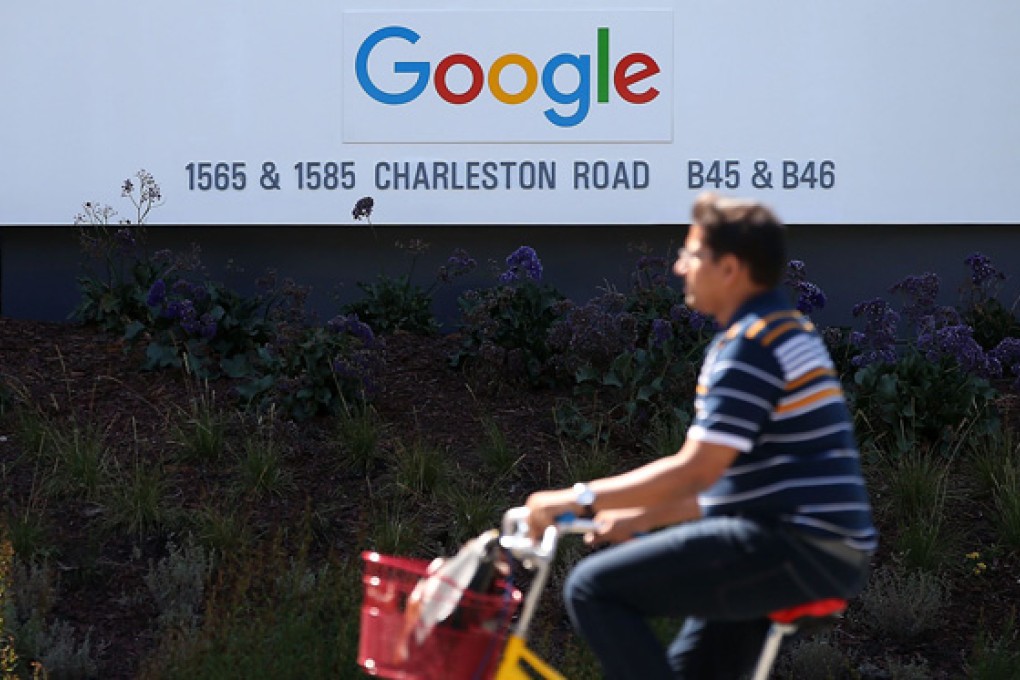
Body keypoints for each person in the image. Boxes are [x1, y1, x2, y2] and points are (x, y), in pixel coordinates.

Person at [524, 192, 877, 679]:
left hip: (792, 545)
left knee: (592, 588)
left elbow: (696, 471)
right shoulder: (785, 330)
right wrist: (642, 517)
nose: (678, 267)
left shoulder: (751, 345)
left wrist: (576, 499)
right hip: (819, 547)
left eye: (691, 254)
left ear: (729, 268)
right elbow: (730, 488)